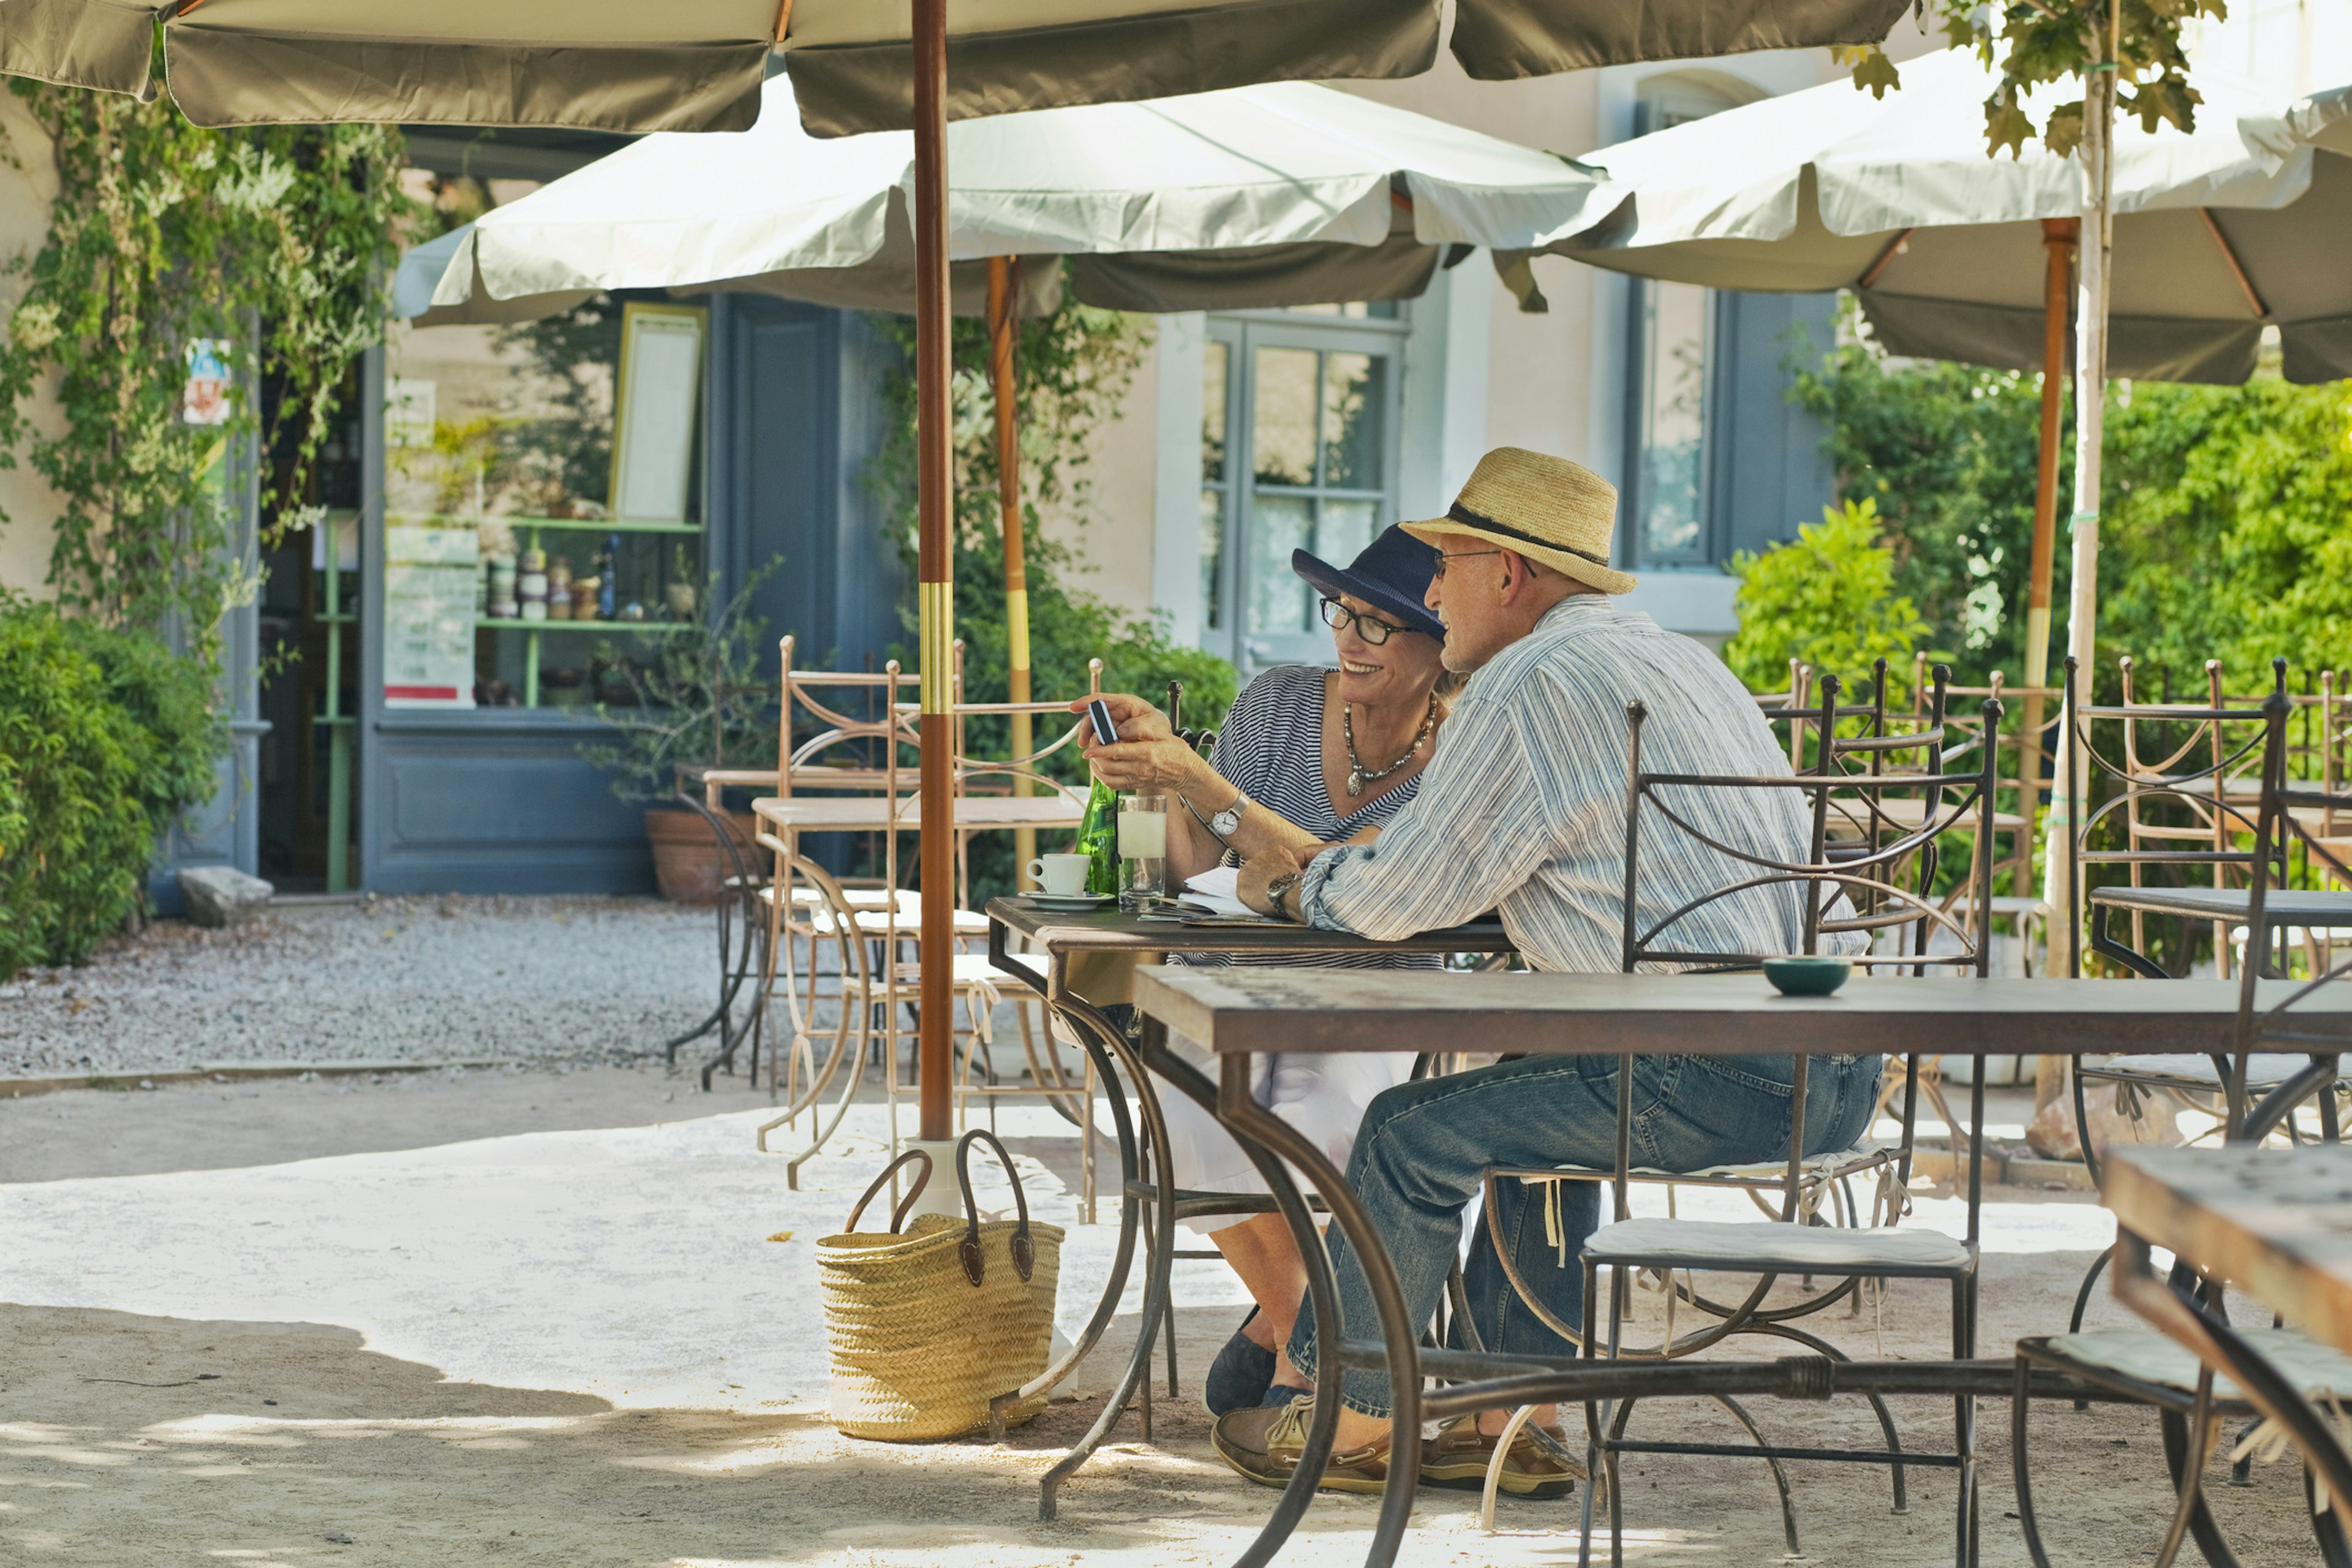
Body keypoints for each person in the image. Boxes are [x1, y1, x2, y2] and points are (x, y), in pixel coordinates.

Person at [1210, 447, 1876, 1499]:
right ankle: (1510, 1418)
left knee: (1405, 1132)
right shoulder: (1682, 661)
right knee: (1525, 1079)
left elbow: (1396, 899)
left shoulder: (1528, 679)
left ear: (1507, 575)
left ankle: (1350, 1423)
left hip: (1711, 1072)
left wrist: (1292, 887)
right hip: (1836, 1065)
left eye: (1445, 567)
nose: (1430, 592)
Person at [1077, 526, 1459, 1415]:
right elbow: (1196, 873)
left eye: (1377, 626)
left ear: (1437, 647)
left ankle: (1285, 1338)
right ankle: (1303, 1338)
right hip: (1231, 984)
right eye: (1343, 615)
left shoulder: (1459, 761)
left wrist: (1212, 792)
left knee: (1329, 1123)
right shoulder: (1278, 704)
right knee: (1173, 1106)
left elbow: (1356, 887)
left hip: (1376, 1004)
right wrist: (1154, 781)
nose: (1347, 640)